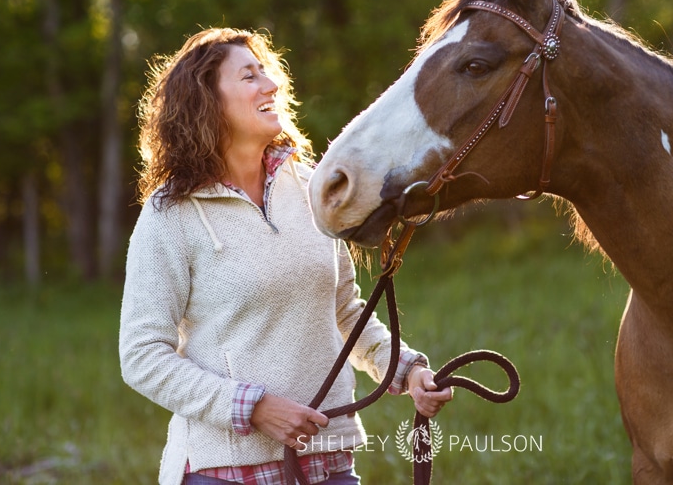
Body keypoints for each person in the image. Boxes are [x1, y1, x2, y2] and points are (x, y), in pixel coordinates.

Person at [119, 27, 453, 485]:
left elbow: (344, 311)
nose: (271, 85)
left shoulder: (311, 187)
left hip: (327, 460)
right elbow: (142, 355)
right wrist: (253, 409)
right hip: (225, 470)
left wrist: (405, 369)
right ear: (207, 101)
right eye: (249, 76)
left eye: (266, 73)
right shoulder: (170, 215)